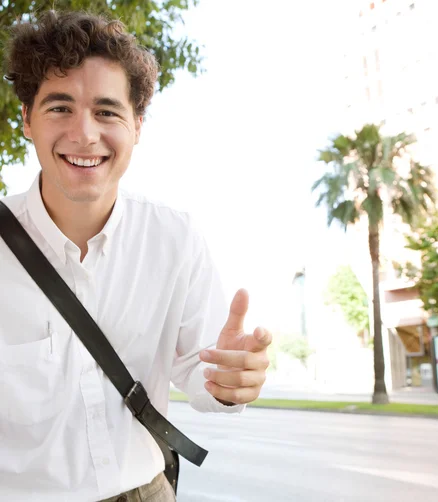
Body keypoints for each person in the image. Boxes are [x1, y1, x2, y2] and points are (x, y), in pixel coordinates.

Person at [0, 10, 271, 501]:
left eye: (106, 111)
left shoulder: (175, 237)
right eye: (60, 107)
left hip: (145, 491)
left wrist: (229, 381)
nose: (84, 134)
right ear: (26, 120)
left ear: (137, 125)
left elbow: (203, 376)